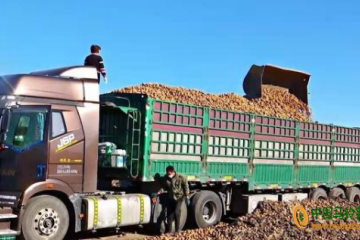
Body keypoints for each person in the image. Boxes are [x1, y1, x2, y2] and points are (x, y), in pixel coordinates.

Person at [157, 165, 190, 234]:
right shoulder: (166, 178)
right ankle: (169, 231)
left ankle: (177, 230)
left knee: (177, 212)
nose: (168, 175)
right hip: (171, 197)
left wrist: (187, 194)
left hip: (179, 197)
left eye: (169, 173)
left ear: (173, 171)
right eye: (167, 173)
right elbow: (165, 187)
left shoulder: (181, 177)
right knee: (169, 214)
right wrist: (160, 191)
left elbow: (186, 186)